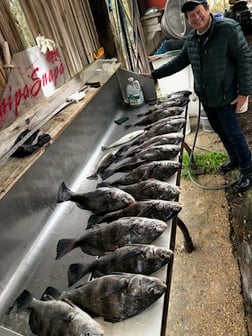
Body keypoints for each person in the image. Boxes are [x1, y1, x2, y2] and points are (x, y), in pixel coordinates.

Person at [142, 0, 252, 193]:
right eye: (191, 15)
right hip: (207, 97)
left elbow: (244, 59)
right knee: (220, 130)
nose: (196, 17)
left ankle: (247, 170)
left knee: (234, 132)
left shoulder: (227, 29)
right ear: (187, 18)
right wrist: (154, 75)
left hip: (226, 95)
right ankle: (234, 159)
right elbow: (178, 62)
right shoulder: (192, 38)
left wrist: (244, 92)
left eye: (199, 12)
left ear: (207, 10)